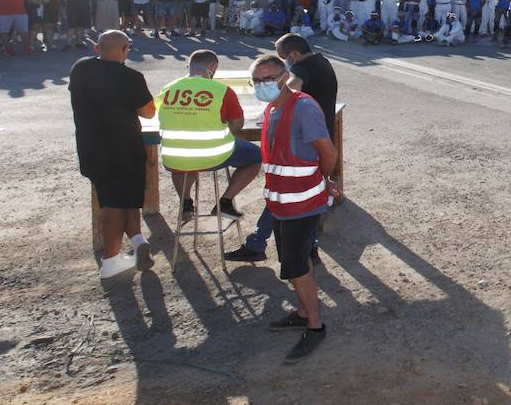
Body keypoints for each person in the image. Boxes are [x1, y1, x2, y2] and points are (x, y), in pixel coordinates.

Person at [248, 55, 339, 362]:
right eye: (257, 81)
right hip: (282, 202)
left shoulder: (303, 108)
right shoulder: (274, 108)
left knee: (297, 266)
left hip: (302, 202)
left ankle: (315, 326)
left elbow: (327, 152)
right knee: (294, 262)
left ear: (285, 76)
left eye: (268, 79)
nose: (262, 86)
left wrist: (325, 180)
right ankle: (302, 313)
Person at [227, 35, 339, 263]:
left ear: (293, 55)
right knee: (299, 195)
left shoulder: (301, 69)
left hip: (301, 140)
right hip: (316, 136)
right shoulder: (322, 61)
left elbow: (292, 86)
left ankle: (259, 243)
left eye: (281, 57)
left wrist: (275, 105)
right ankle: (309, 248)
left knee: (283, 195)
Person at [70, 31, 156, 279]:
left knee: (124, 197)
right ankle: (110, 260)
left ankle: (138, 241)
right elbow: (149, 112)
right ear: (125, 49)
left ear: (97, 47)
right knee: (115, 203)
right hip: (124, 145)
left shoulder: (80, 68)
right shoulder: (131, 77)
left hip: (90, 144)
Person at [157, 50, 262, 222]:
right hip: (213, 155)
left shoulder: (168, 88)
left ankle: (186, 203)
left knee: (183, 161)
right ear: (212, 67)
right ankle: (225, 202)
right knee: (256, 156)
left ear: (188, 66)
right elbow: (238, 124)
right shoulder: (221, 90)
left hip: (173, 156)